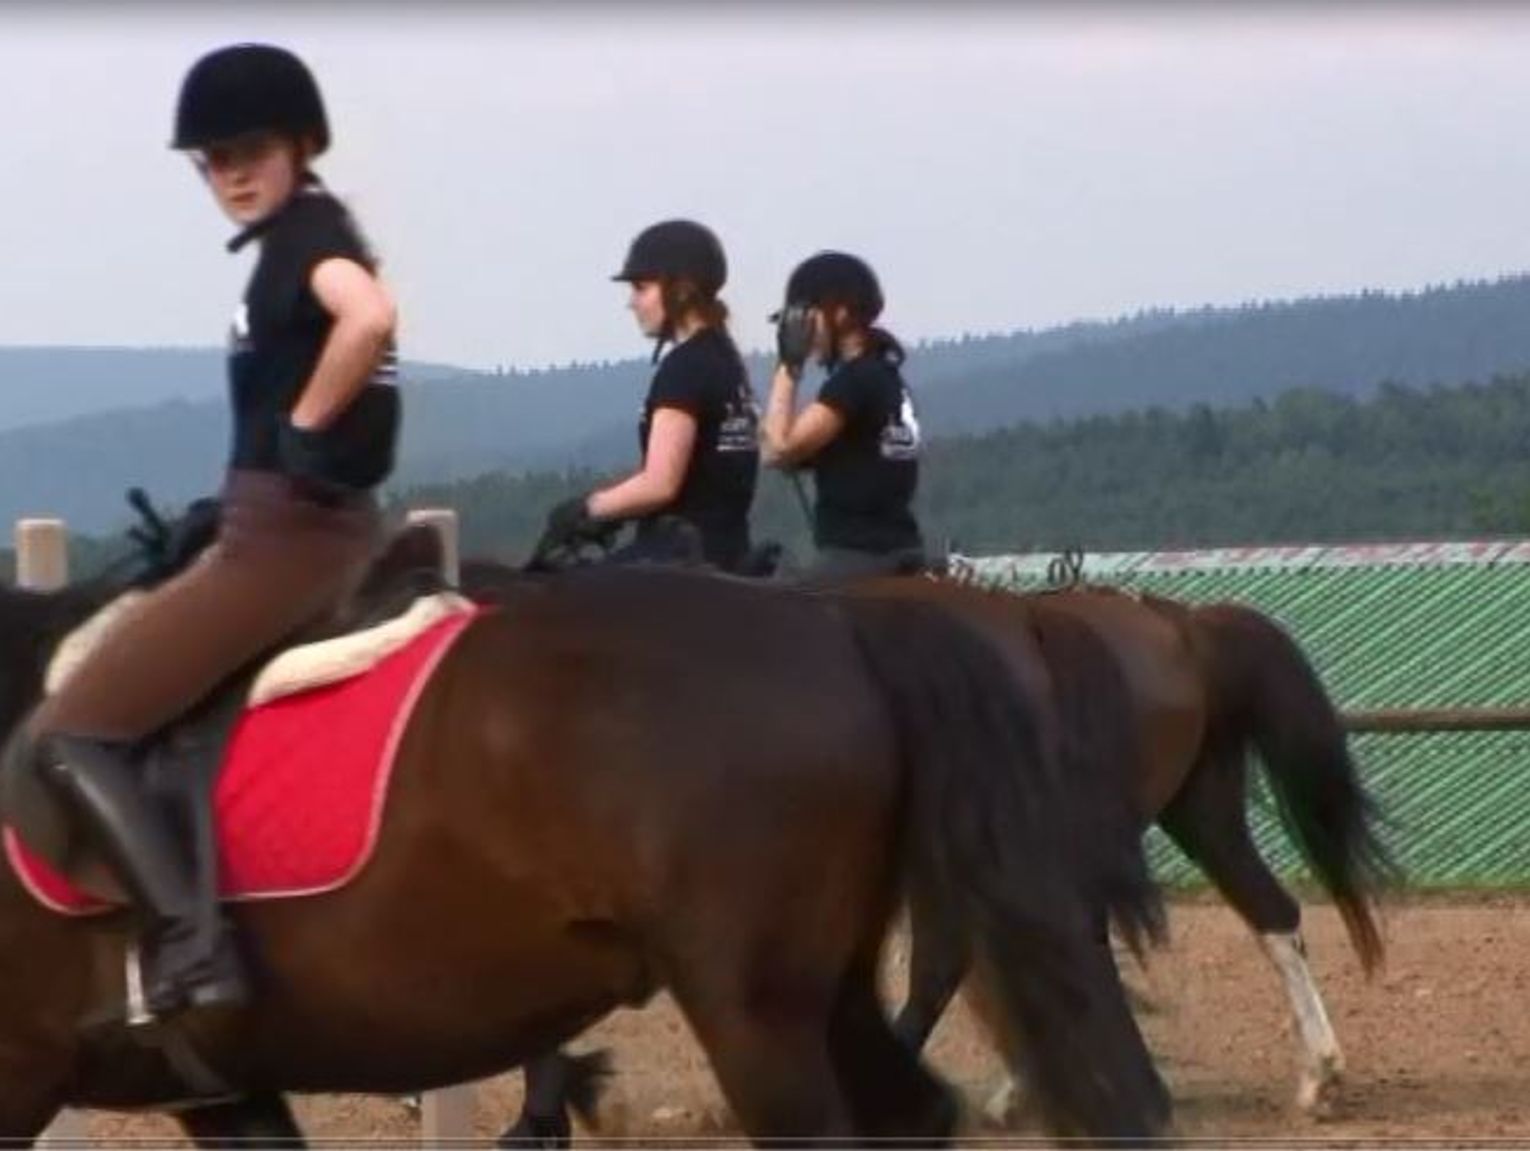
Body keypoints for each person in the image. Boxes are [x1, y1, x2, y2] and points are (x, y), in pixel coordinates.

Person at [10, 43, 400, 1021]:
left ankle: (194, 943)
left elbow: (370, 315)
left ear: (301, 143)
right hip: (285, 525)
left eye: (249, 148)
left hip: (287, 544)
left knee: (66, 735)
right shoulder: (302, 235)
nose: (229, 169)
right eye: (211, 156)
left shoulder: (306, 242)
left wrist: (304, 429)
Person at [539, 220, 759, 572]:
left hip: (681, 559)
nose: (632, 303)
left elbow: (660, 483)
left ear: (682, 290)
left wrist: (586, 509)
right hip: (729, 551)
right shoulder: (726, 360)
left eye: (641, 288)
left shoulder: (684, 368)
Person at [759, 251, 926, 580]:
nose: (802, 332)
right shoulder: (885, 376)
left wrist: (789, 364)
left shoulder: (854, 380)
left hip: (857, 554)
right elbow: (777, 454)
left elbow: (779, 447)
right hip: (898, 546)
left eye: (807, 319)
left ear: (841, 312)